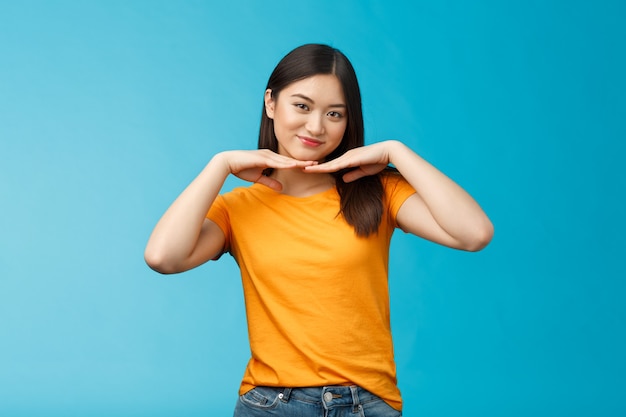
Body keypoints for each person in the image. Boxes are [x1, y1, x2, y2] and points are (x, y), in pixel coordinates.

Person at [144, 43, 493, 417]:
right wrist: (220, 165)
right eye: (302, 106)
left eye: (334, 114)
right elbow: (163, 257)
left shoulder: (378, 193)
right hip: (271, 404)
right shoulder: (236, 209)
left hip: (367, 404)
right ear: (271, 103)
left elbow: (474, 234)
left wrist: (396, 152)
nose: (316, 127)